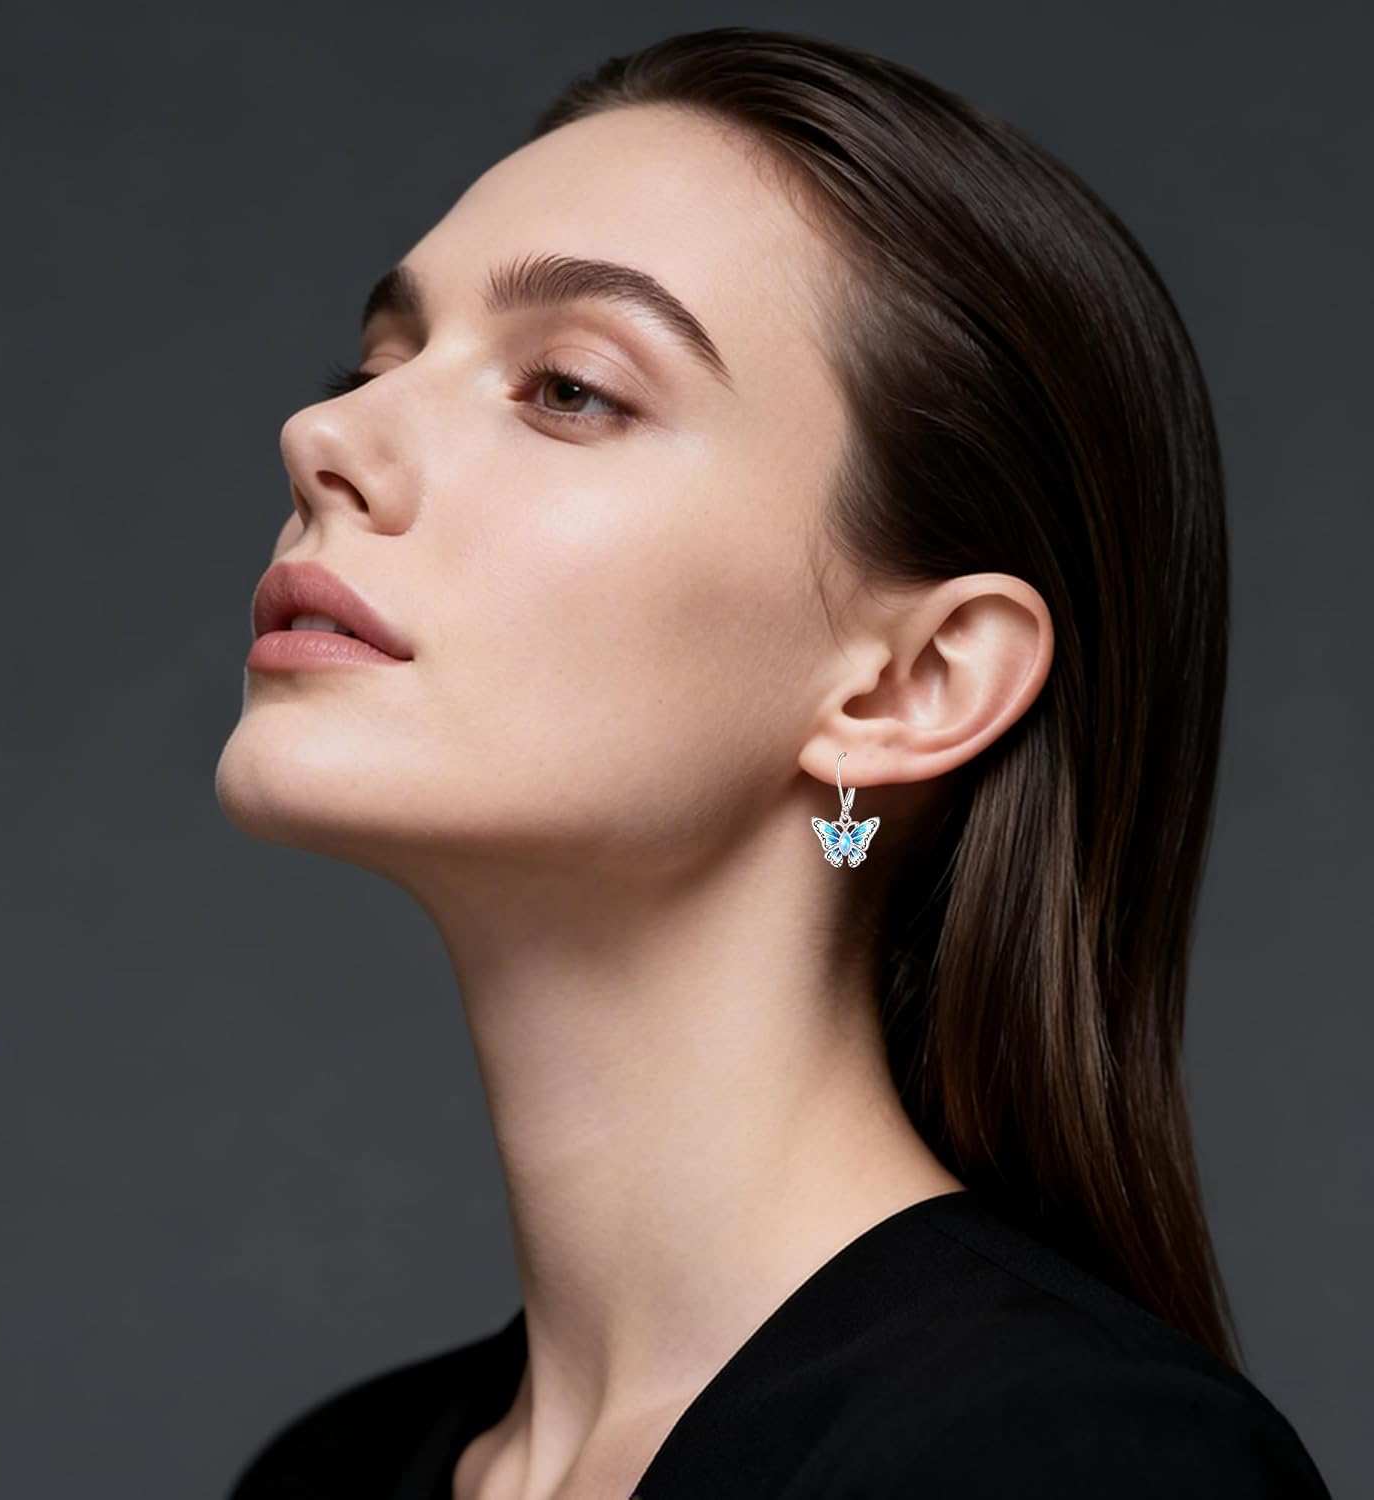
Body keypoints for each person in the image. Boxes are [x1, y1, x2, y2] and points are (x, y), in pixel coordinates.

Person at [213, 24, 1332, 1500]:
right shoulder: (326, 1476)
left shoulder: (1079, 1463)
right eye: (377, 361)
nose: (325, 432)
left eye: (568, 389)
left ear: (912, 684)